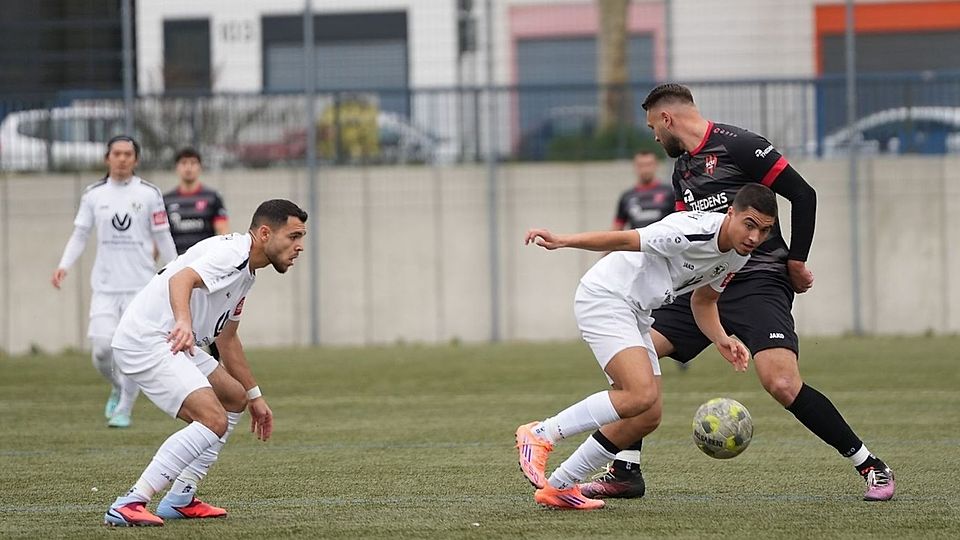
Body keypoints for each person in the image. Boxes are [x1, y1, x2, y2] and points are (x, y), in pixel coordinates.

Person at [577, 83, 895, 502]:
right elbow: (682, 237)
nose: (654, 136)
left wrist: (796, 260)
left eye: (654, 126)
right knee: (632, 351)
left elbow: (803, 194)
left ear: (667, 118)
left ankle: (870, 464)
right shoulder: (682, 170)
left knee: (781, 383)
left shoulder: (741, 145)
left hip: (759, 280)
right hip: (704, 286)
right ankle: (625, 470)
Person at [516, 184, 778, 510]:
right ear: (731, 214)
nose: (754, 236)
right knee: (638, 393)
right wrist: (563, 240)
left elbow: (704, 299)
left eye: (764, 230)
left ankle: (558, 486)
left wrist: (722, 338)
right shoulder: (689, 232)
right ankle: (541, 433)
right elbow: (626, 239)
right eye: (749, 224)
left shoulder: (739, 255)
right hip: (607, 296)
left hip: (635, 310)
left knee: (647, 416)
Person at [102, 199, 307, 527]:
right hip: (148, 338)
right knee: (213, 418)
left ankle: (181, 496)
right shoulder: (233, 254)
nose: (299, 247)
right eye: (294, 236)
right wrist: (183, 322)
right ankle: (131, 501)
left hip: (170, 339)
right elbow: (180, 279)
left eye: (302, 238)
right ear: (265, 233)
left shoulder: (246, 273)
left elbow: (227, 339)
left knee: (233, 398)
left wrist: (255, 396)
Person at [51, 135, 178, 429]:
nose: (122, 159)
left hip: (140, 287)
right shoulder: (93, 194)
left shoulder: (149, 193)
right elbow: (81, 234)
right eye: (117, 154)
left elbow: (162, 236)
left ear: (136, 159)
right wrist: (63, 265)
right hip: (105, 288)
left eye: (128, 154)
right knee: (101, 351)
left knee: (130, 349)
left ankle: (124, 410)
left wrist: (175, 269)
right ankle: (119, 385)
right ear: (107, 158)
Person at [164, 147, 230, 359]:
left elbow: (222, 232)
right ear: (177, 168)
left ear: (199, 167)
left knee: (211, 323)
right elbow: (160, 238)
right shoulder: (167, 200)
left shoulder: (212, 198)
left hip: (206, 272)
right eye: (184, 163)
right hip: (177, 272)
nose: (188, 168)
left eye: (193, 163)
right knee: (180, 320)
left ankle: (218, 364)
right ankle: (185, 367)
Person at [612, 150, 674, 231]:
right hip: (637, 242)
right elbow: (617, 227)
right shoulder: (627, 196)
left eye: (649, 165)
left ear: (656, 165)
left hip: (663, 242)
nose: (645, 170)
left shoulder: (669, 192)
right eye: (641, 165)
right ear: (635, 167)